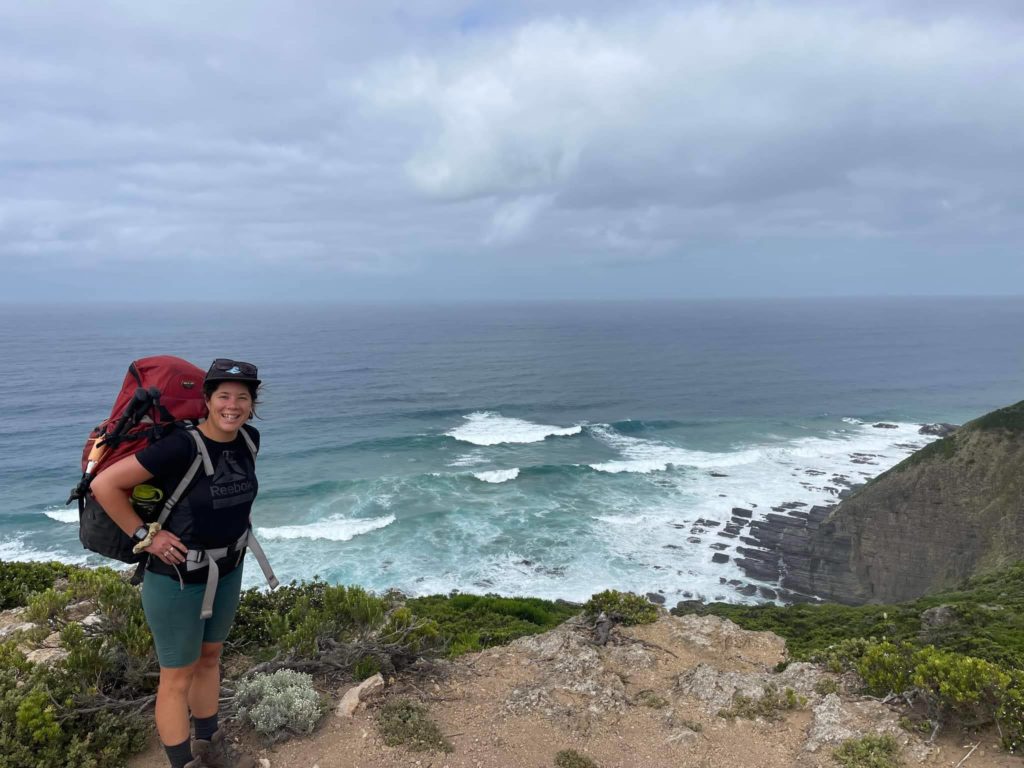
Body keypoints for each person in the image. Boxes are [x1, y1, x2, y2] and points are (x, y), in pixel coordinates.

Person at [92, 359, 264, 768]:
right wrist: (144, 536)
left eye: (243, 397)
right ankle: (182, 763)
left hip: (228, 568)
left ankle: (211, 746)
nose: (233, 405)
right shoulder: (181, 445)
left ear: (252, 405)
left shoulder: (250, 440)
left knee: (210, 658)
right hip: (176, 579)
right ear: (206, 400)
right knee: (176, 675)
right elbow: (105, 485)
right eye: (223, 396)